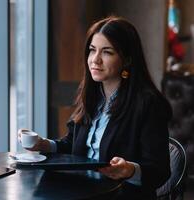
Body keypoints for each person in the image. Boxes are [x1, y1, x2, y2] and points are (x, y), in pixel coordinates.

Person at [18, 16, 172, 199]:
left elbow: (160, 171)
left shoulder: (148, 103)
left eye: (107, 52)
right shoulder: (91, 96)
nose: (95, 60)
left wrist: (130, 170)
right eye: (92, 50)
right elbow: (72, 146)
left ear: (128, 60)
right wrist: (44, 144)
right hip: (81, 191)